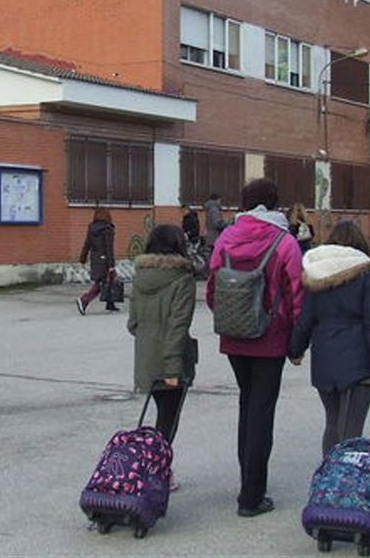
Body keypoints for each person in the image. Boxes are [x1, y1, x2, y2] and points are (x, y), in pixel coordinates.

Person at [206, 178, 303, 518]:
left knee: (246, 406)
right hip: (271, 337)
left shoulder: (227, 237)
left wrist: (225, 315)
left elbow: (212, 286)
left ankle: (247, 482)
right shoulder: (284, 241)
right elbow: (296, 294)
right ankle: (252, 495)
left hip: (233, 335)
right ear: (275, 204)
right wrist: (297, 342)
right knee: (262, 411)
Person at [288, 221, 370, 457]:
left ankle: (330, 479)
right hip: (359, 358)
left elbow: (306, 319)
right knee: (352, 428)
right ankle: (346, 483)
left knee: (333, 422)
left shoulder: (317, 273)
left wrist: (295, 350)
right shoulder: (368, 274)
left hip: (325, 356)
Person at [127, 224, 196, 492]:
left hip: (145, 356)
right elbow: (178, 326)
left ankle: (153, 468)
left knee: (160, 416)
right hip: (172, 361)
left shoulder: (140, 276)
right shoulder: (182, 278)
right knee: (167, 420)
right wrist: (172, 367)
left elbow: (132, 324)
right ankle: (158, 470)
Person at [77, 207, 119, 314]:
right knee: (101, 283)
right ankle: (84, 300)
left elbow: (87, 244)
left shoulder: (92, 228)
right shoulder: (107, 229)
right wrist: (111, 265)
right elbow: (108, 247)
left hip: (95, 258)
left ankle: (110, 303)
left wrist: (83, 258)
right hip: (105, 259)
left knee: (109, 280)